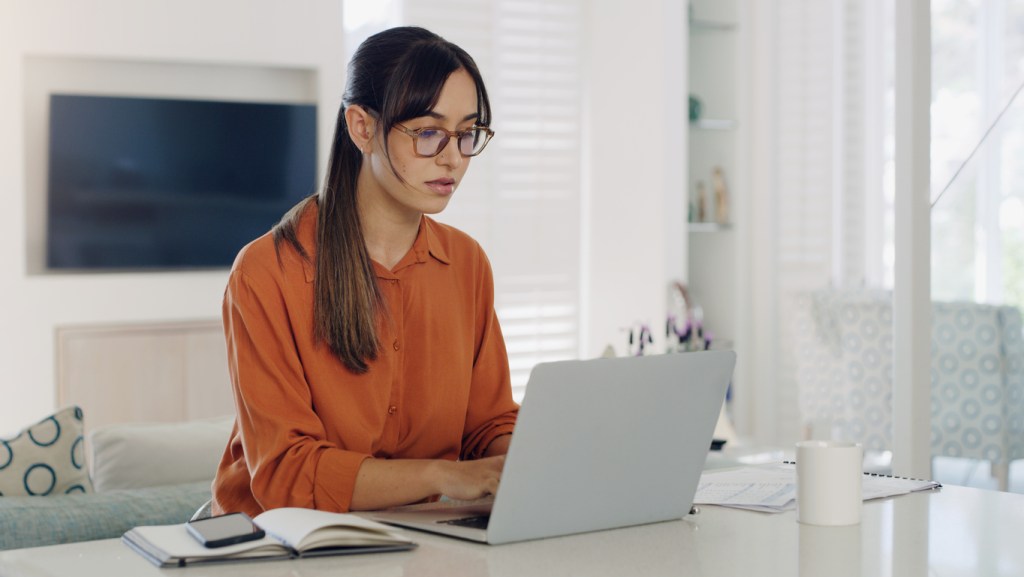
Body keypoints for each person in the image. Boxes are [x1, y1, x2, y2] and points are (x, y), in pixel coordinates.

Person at [211, 26, 519, 517]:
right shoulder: (266, 272)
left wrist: (530, 459)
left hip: (420, 536)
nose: (453, 158)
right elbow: (286, 475)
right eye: (428, 132)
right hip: (276, 544)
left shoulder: (467, 264)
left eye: (467, 134)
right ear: (361, 128)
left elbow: (487, 424)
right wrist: (444, 475)